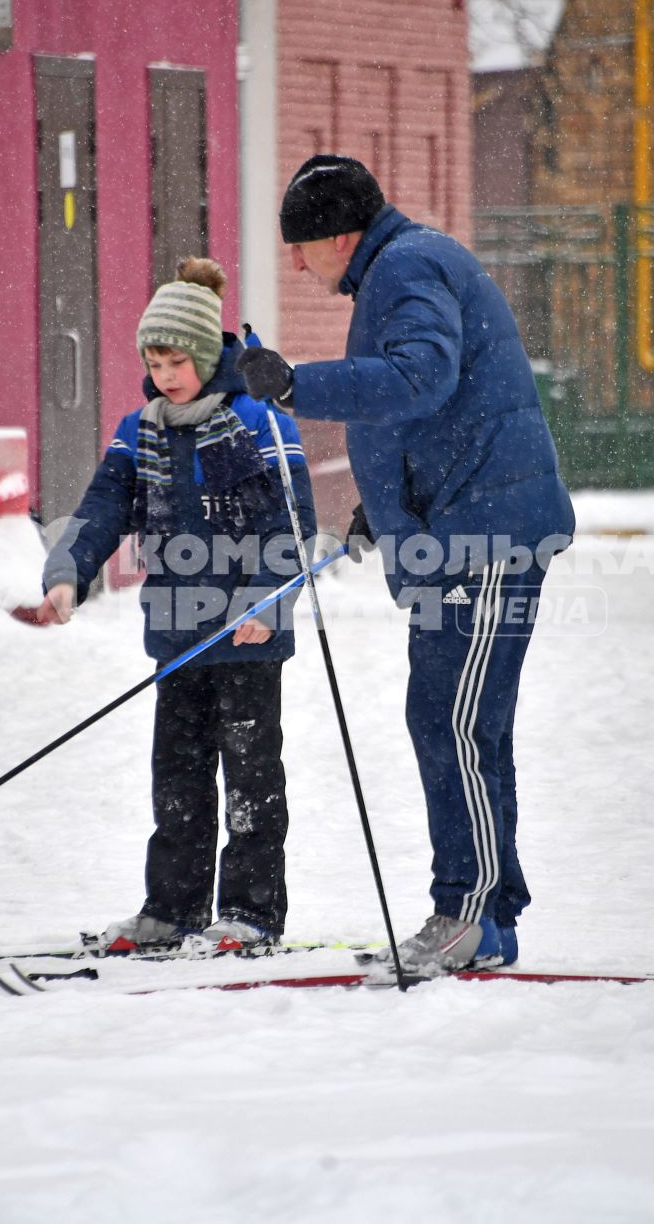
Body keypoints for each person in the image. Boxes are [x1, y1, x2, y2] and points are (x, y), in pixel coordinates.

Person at [237, 154, 575, 973]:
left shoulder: (406, 265)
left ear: (339, 236)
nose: (297, 263)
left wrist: (294, 386)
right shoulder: (406, 263)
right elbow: (438, 402)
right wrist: (382, 506)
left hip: (485, 535)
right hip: (462, 527)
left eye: (303, 246)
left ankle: (464, 911)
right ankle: (485, 919)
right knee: (463, 723)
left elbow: (420, 377)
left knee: (451, 721)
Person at [37, 258, 315, 951]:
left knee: (252, 782)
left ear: (206, 352)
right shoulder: (143, 429)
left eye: (176, 361)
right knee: (178, 780)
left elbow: (289, 524)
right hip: (177, 635)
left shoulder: (256, 421)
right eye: (154, 362)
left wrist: (264, 602)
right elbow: (104, 507)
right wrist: (68, 572)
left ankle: (250, 914)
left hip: (250, 636)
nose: (164, 375)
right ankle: (173, 908)